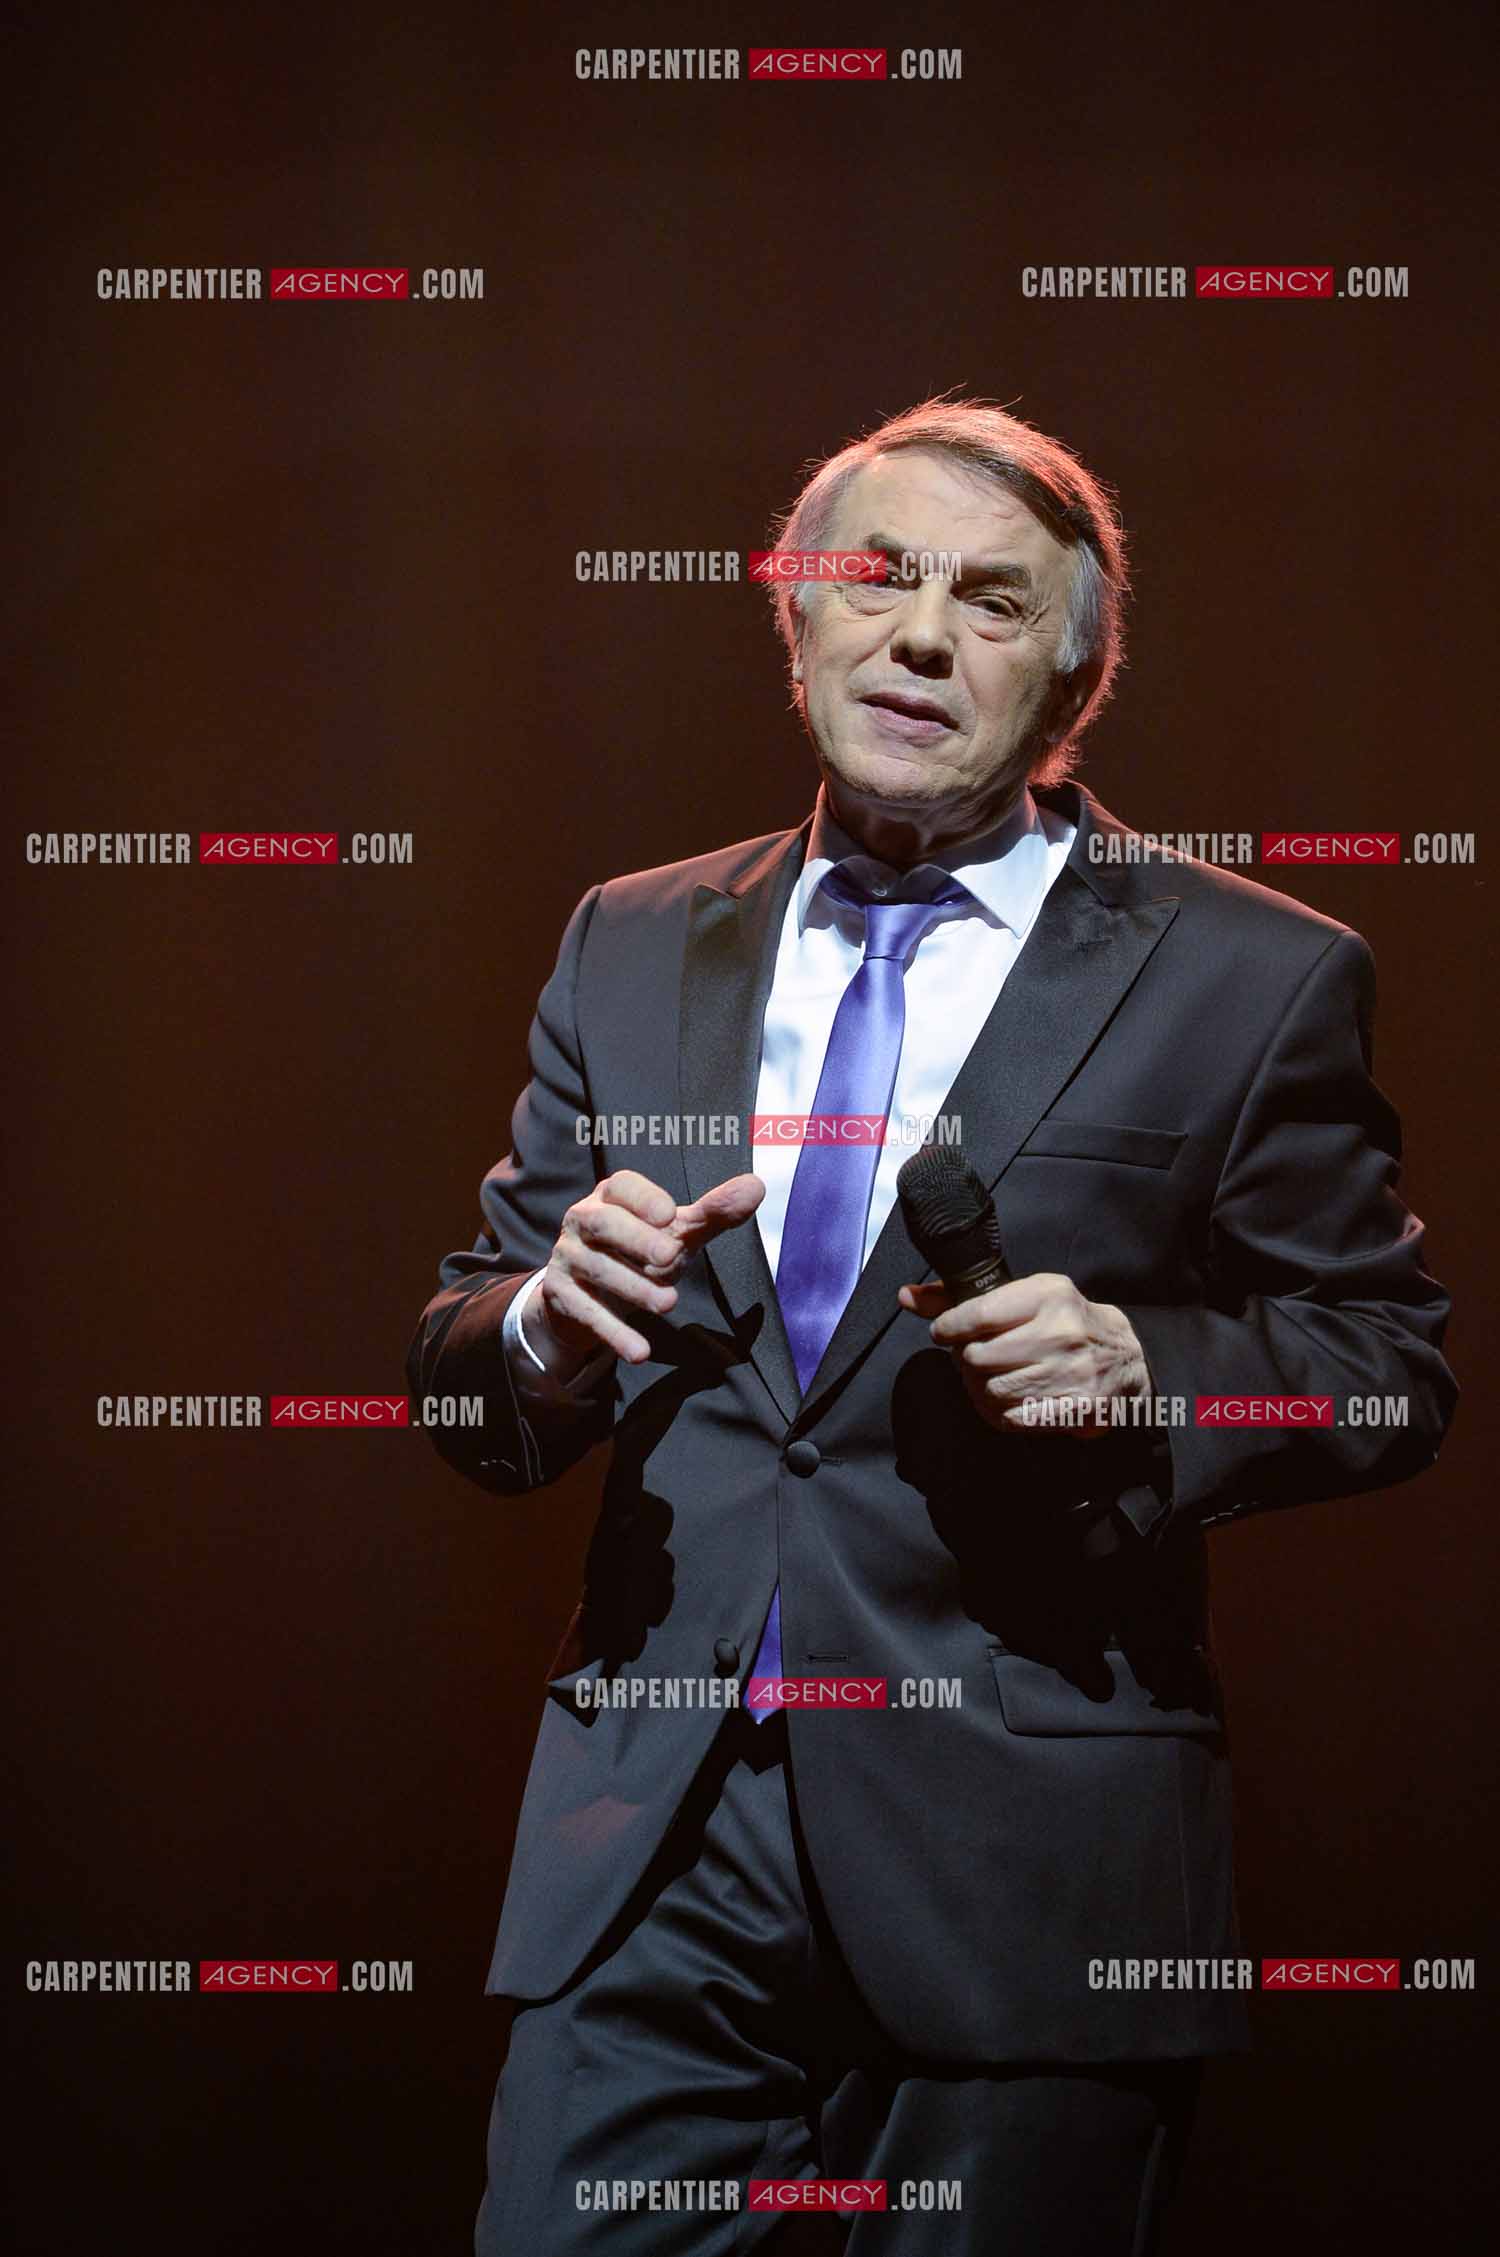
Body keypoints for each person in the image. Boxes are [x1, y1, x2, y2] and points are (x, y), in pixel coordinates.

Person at [407, 398, 1455, 2254]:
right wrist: (545, 1330)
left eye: (988, 603)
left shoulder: (1252, 971)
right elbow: (464, 1370)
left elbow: (1387, 1366)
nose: (916, 634)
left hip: (1026, 1870)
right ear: (790, 618)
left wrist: (1153, 1375)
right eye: (873, 580)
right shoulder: (630, 939)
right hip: (650, 1844)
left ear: (1069, 688)